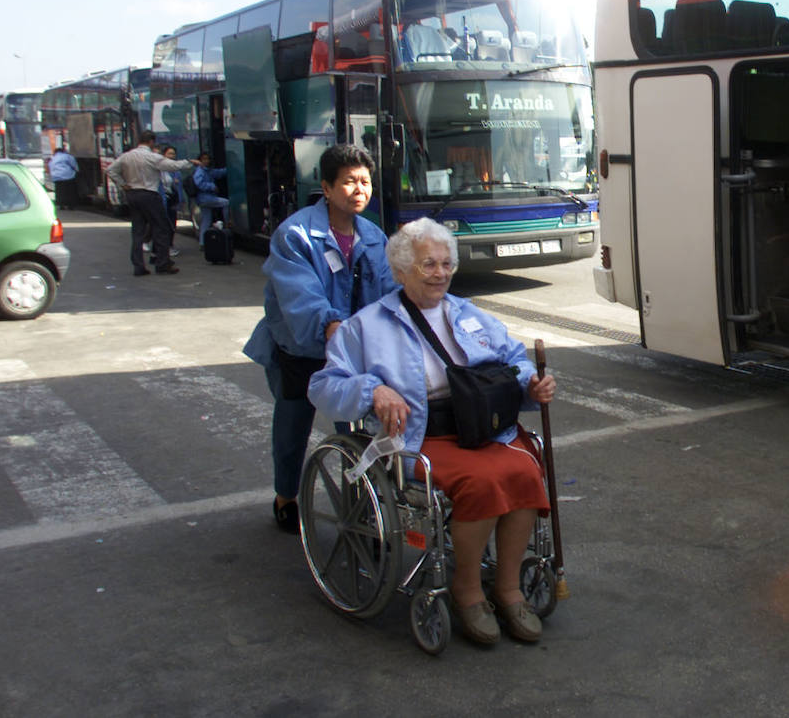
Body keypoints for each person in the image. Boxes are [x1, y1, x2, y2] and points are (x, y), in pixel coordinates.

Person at [309, 218, 557, 645]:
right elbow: (324, 386)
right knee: (481, 482)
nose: (440, 273)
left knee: (524, 472)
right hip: (422, 436)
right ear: (401, 270)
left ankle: (509, 587)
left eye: (445, 263)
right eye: (428, 265)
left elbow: (515, 360)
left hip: (481, 429)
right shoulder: (366, 326)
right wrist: (375, 390)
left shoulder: (468, 314)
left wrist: (531, 384)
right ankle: (467, 588)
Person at [242, 144, 397, 533]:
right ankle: (286, 495)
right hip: (302, 348)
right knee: (293, 426)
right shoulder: (295, 235)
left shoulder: (374, 235)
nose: (359, 190)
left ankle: (362, 509)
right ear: (326, 188)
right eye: (348, 182)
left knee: (357, 429)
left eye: (365, 181)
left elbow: (389, 292)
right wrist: (331, 326)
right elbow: (301, 298)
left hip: (354, 349)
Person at [105, 129, 197, 276]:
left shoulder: (126, 156)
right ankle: (162, 263)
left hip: (132, 194)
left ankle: (138, 266)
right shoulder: (152, 157)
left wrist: (123, 184)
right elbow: (172, 166)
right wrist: (189, 163)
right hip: (149, 194)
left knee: (138, 231)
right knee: (162, 228)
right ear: (151, 142)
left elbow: (110, 170)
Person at [193, 153, 231, 246]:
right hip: (205, 198)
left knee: (206, 220)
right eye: (204, 159)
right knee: (226, 202)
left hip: (203, 199)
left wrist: (229, 168)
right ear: (200, 161)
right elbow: (199, 184)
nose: (206, 161)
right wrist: (212, 186)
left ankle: (203, 243)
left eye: (207, 159)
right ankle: (227, 222)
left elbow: (219, 173)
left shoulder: (207, 171)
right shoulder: (200, 171)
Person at [159, 146, 183, 258]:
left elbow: (179, 187)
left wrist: (180, 201)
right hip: (165, 200)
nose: (172, 156)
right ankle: (166, 247)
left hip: (173, 200)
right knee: (166, 224)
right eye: (169, 154)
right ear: (164, 155)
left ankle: (169, 245)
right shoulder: (161, 169)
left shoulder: (176, 169)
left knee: (172, 223)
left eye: (173, 154)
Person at [49, 144, 79, 210]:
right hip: (68, 176)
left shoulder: (53, 159)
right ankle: (71, 205)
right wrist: (77, 170)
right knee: (70, 191)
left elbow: (50, 167)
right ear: (63, 151)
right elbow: (74, 164)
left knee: (60, 191)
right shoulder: (67, 156)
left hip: (57, 177)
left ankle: (61, 204)